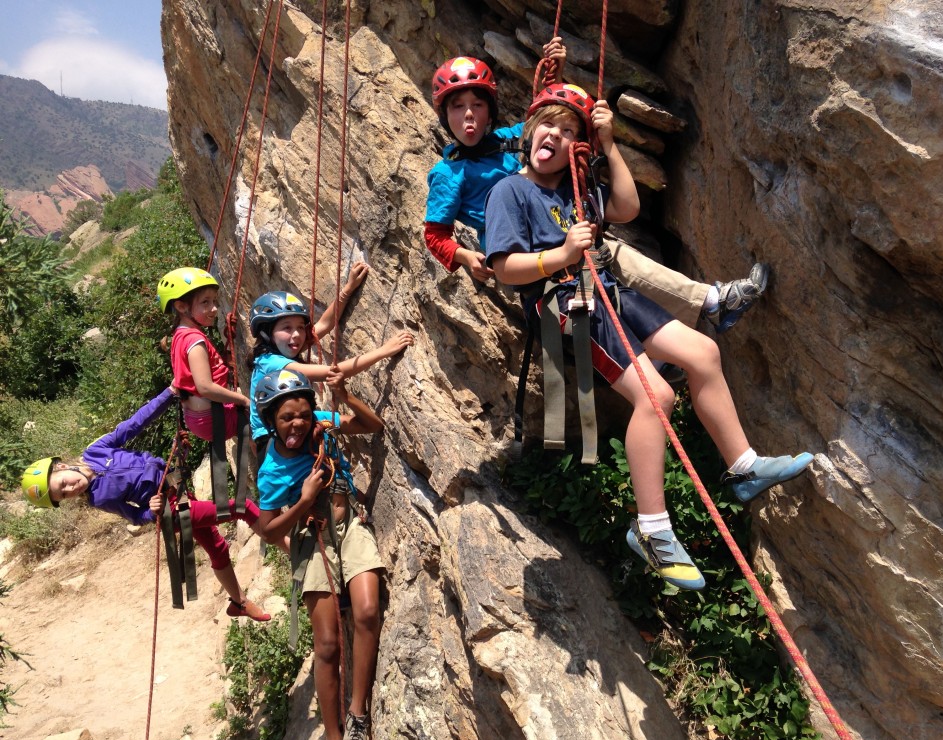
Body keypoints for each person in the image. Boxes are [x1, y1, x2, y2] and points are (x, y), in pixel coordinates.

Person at [484, 83, 814, 591]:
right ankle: (653, 530)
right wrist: (563, 255)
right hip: (565, 309)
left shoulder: (577, 189)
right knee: (655, 395)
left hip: (606, 292)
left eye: (570, 130)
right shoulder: (511, 191)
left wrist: (609, 145)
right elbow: (506, 268)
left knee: (703, 352)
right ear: (529, 133)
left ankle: (744, 467)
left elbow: (626, 208)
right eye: (548, 124)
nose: (557, 133)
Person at [424, 53, 766, 331]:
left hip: (554, 221)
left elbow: (549, 120)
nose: (468, 114)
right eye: (457, 106)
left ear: (490, 111)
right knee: (610, 252)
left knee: (609, 252)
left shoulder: (509, 138)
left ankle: (679, 331)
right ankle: (708, 304)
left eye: (477, 105)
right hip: (520, 247)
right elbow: (435, 234)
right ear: (444, 114)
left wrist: (552, 78)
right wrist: (466, 257)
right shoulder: (448, 174)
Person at [20, 387, 271, 620]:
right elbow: (134, 516)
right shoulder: (99, 498)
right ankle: (287, 543)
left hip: (178, 489)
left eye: (63, 483)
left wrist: (169, 394)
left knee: (217, 547)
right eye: (63, 496)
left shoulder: (96, 450)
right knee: (242, 508)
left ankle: (238, 603)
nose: (70, 489)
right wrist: (150, 513)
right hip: (172, 510)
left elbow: (135, 424)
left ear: (62, 467)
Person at [254, 369, 387, 740]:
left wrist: (343, 396)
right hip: (313, 543)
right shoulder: (273, 470)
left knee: (366, 611)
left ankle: (358, 713)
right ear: (271, 422)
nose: (296, 424)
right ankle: (333, 738)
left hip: (348, 529)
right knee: (327, 645)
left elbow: (371, 425)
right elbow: (268, 527)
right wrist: (304, 500)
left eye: (302, 414)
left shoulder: (321, 426)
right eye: (286, 418)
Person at [247, 274, 414, 465]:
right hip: (273, 442)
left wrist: (347, 290)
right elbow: (332, 373)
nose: (296, 334)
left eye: (301, 328)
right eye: (287, 328)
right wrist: (383, 351)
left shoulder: (282, 348)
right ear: (266, 333)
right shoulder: (270, 362)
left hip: (288, 429)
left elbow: (324, 325)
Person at [158, 267, 250, 442]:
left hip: (199, 418)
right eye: (205, 302)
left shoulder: (180, 335)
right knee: (264, 424)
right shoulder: (194, 340)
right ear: (181, 306)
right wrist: (243, 400)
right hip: (213, 418)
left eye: (214, 301)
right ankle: (273, 468)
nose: (214, 308)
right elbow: (205, 387)